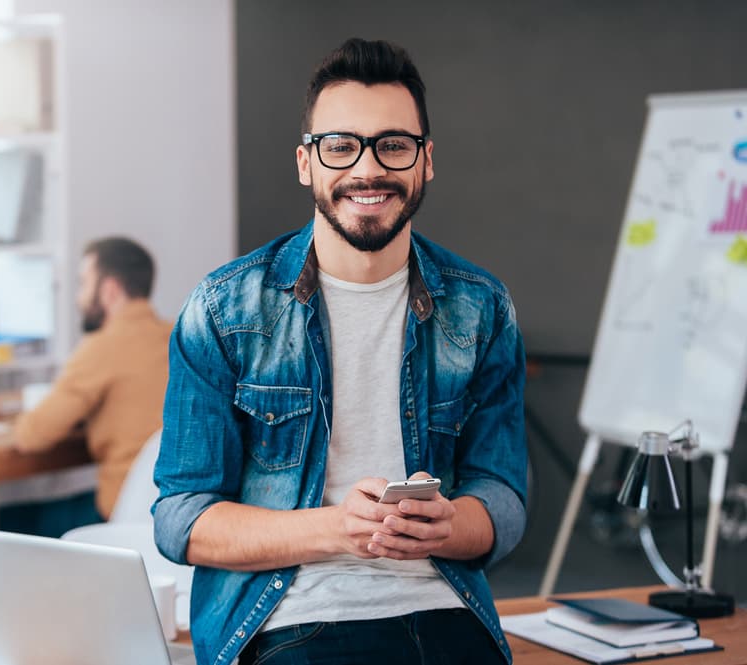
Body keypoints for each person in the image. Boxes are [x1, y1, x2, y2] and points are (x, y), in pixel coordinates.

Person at [153, 38, 527, 665]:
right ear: (307, 163)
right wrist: (335, 529)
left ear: (426, 160)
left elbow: (504, 498)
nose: (367, 168)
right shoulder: (223, 310)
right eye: (340, 145)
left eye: (393, 145)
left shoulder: (482, 307)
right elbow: (181, 519)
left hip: (446, 612)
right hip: (290, 620)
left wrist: (450, 525)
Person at [3, 236, 172, 536]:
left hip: (121, 514)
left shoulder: (104, 346)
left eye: (83, 284)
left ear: (109, 290)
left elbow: (31, 436)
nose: (78, 298)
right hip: (173, 511)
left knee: (0, 520)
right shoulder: (178, 336)